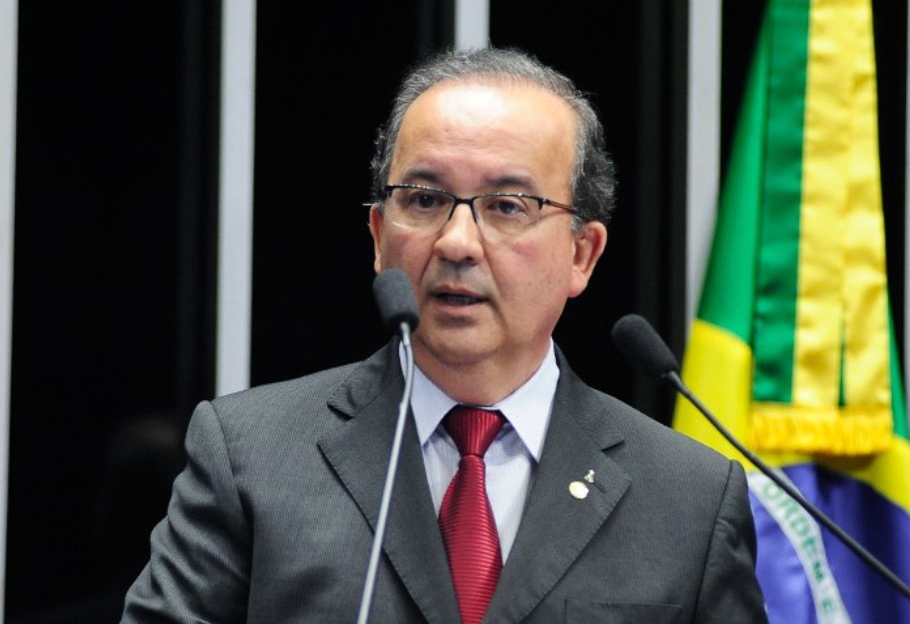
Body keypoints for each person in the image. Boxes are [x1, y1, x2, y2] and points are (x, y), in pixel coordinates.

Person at [120, 46, 767, 623]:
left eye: (507, 206)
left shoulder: (688, 499)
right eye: (425, 200)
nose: (457, 243)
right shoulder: (252, 456)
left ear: (582, 255)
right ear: (379, 236)